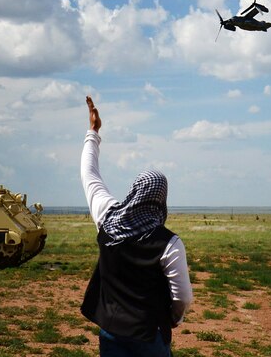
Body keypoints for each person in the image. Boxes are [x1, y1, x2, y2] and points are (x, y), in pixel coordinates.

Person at [79, 95, 193, 357]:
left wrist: (93, 133)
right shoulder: (169, 243)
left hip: (111, 329)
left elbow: (89, 174)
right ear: (161, 199)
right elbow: (183, 297)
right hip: (149, 332)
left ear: (134, 190)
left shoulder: (106, 218)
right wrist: (174, 318)